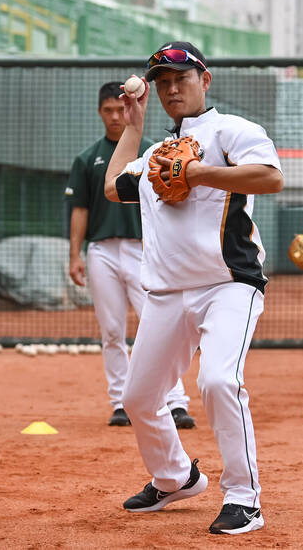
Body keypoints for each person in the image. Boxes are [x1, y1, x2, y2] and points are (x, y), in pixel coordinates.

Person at [104, 41, 284, 535]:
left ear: (205, 80)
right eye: (162, 83)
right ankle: (176, 476)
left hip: (228, 283)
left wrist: (201, 172)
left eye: (180, 80)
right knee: (138, 397)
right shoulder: (158, 152)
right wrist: (133, 127)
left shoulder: (233, 130)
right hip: (166, 293)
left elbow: (271, 178)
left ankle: (245, 499)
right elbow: (113, 184)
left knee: (218, 381)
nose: (169, 89)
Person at [66, 82, 195, 429]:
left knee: (159, 324)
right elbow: (79, 210)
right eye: (107, 110)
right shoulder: (87, 158)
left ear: (129, 110)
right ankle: (120, 402)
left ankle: (176, 401)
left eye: (119, 109)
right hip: (102, 250)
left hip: (143, 249)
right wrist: (74, 255)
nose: (113, 116)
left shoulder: (154, 152)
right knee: (111, 330)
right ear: (99, 112)